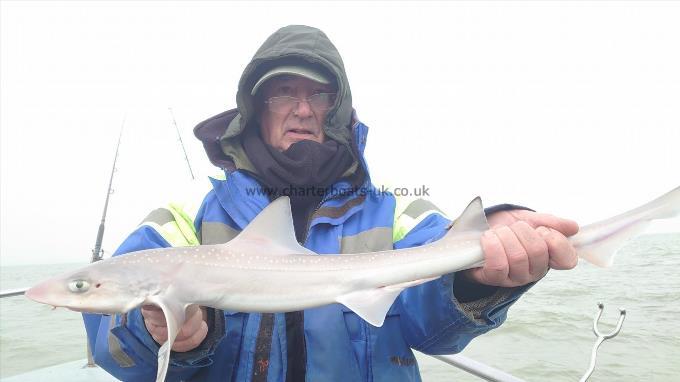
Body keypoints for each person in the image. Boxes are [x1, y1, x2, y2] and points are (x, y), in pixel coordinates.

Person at [82, 25, 579, 381]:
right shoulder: (181, 224)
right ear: (255, 110)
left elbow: (434, 328)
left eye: (318, 95)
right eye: (282, 94)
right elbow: (118, 354)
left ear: (336, 111)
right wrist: (172, 335)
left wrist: (478, 274)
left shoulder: (396, 214)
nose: (302, 109)